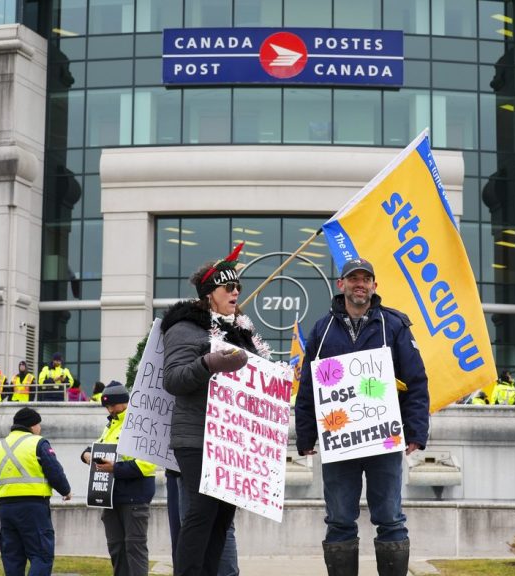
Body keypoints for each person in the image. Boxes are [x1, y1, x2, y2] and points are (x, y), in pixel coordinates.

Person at [295, 258, 429, 576]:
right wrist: (305, 435)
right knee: (339, 520)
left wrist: (416, 432)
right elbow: (307, 387)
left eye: (366, 279)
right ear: (340, 285)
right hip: (339, 442)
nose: (360, 284)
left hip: (383, 440)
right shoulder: (321, 329)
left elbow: (417, 381)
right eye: (353, 278)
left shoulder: (394, 326)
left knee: (391, 519)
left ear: (374, 286)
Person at [162, 242, 271, 576]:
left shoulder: (240, 332)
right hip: (196, 436)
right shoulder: (185, 328)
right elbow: (174, 380)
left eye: (239, 286)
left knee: (222, 517)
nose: (236, 291)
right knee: (201, 511)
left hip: (232, 439)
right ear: (210, 292)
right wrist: (208, 363)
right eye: (229, 286)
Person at [0, 407, 72, 576]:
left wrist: (0, 507)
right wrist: (65, 491)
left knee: (13, 560)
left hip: (7, 510)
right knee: (41, 556)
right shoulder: (38, 443)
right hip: (34, 508)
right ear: (32, 426)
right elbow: (54, 471)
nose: (40, 428)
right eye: (38, 425)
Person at [80, 382, 156, 576]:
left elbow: (146, 464)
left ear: (124, 402)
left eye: (112, 405)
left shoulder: (140, 423)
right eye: (107, 406)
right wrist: (86, 455)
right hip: (111, 497)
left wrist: (115, 468)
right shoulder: (111, 425)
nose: (110, 409)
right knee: (116, 548)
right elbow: (99, 445)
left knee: (135, 548)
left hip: (134, 497)